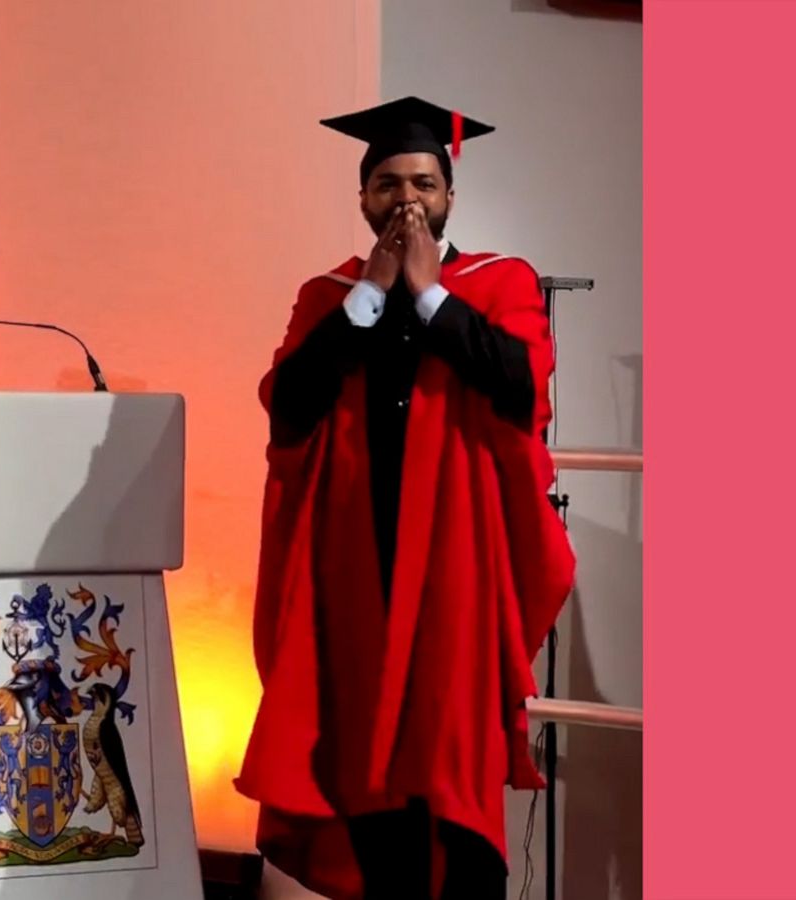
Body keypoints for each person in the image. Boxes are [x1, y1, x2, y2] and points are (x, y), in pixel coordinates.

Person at [234, 97, 576, 899]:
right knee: (365, 765)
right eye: (387, 184)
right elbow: (287, 405)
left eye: (423, 182)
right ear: (363, 199)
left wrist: (431, 297)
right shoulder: (328, 295)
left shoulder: (499, 281)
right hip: (356, 564)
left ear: (450, 195)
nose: (406, 200)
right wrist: (372, 295)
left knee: (448, 760)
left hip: (454, 561)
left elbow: (521, 385)